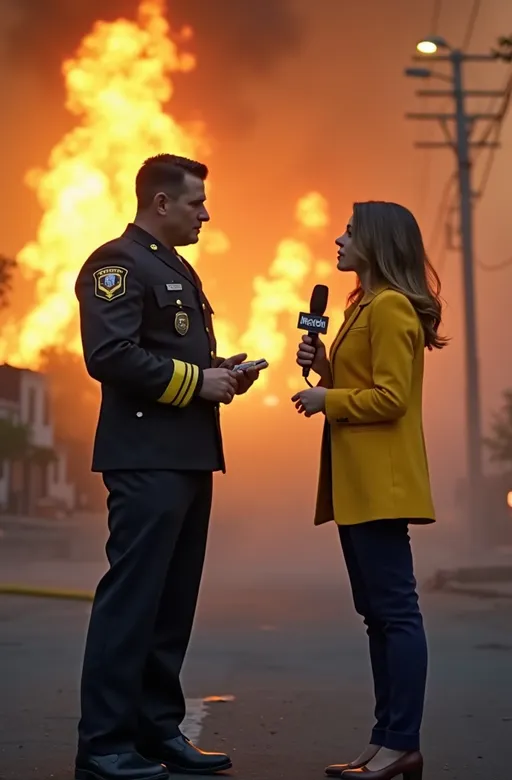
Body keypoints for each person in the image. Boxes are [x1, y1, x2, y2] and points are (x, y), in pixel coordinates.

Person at [74, 154, 268, 780]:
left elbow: (170, 354)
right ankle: (104, 746)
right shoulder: (116, 263)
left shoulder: (173, 266)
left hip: (185, 457)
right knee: (132, 605)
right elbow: (110, 355)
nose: (205, 213)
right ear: (160, 203)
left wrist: (222, 376)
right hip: (146, 459)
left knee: (170, 607)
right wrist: (195, 381)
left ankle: (157, 733)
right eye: (195, 203)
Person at [292, 201, 447, 780]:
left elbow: (390, 399)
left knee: (395, 614)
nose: (338, 238)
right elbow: (360, 386)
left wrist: (326, 399)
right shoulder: (363, 306)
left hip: (382, 485)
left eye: (350, 231)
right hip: (357, 484)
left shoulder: (391, 310)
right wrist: (325, 370)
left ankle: (402, 741)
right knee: (377, 616)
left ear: (376, 243)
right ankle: (385, 740)